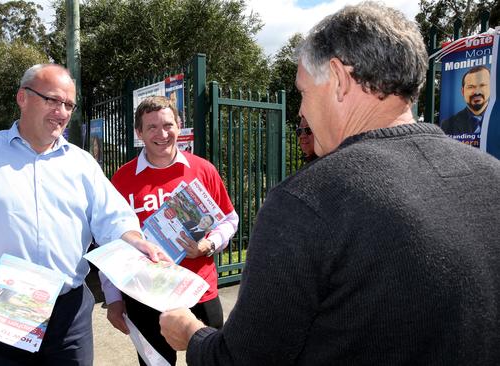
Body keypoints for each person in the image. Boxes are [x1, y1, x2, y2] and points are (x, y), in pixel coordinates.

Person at [159, 3, 500, 365]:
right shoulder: (492, 177)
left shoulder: (305, 202)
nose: (302, 112)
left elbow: (241, 359)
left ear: (338, 78)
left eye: (303, 92)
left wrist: (192, 334)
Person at [0, 64, 169, 366]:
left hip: (68, 315)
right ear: (22, 98)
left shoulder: (82, 164)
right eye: (52, 100)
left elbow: (114, 218)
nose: (62, 111)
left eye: (68, 104)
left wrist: (136, 241)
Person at [104, 96, 238, 365]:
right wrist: (113, 298)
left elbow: (229, 219)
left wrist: (209, 245)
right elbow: (111, 242)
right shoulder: (122, 178)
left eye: (168, 125)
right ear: (138, 133)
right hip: (144, 295)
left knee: (212, 360)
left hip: (198, 290)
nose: (162, 134)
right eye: (151, 127)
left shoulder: (203, 170)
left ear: (179, 125)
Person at [440, 65, 491, 135]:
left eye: (482, 85)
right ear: (462, 92)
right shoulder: (447, 125)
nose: (477, 92)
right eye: (471, 87)